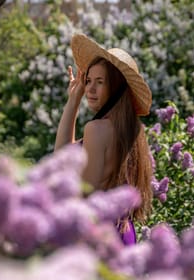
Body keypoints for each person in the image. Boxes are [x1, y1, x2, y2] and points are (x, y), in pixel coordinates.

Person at [54, 33, 153, 245]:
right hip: (123, 233)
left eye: (100, 82)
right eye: (88, 80)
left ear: (116, 87)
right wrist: (73, 100)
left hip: (99, 237)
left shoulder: (97, 129)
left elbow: (84, 193)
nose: (90, 88)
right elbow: (64, 159)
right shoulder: (133, 132)